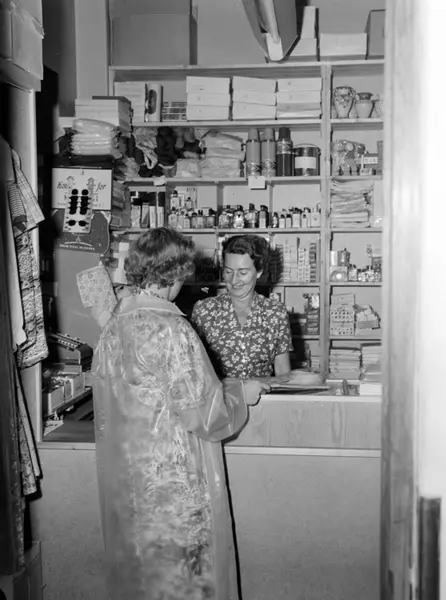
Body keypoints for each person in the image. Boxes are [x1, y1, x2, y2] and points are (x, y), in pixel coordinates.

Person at [91, 227, 270, 600]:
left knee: (142, 571)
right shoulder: (171, 329)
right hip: (172, 478)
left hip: (127, 476)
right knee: (182, 575)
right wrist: (242, 393)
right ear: (174, 273)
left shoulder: (114, 326)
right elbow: (204, 414)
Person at [191, 234, 294, 379]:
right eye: (228, 271)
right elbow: (194, 372)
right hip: (219, 394)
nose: (234, 280)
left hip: (263, 393)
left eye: (243, 272)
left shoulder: (275, 313)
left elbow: (282, 372)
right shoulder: (204, 310)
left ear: (259, 272)